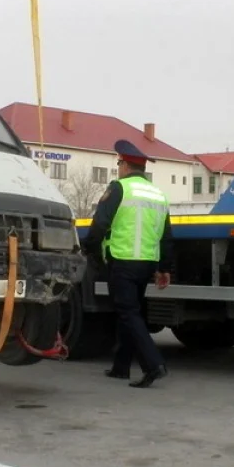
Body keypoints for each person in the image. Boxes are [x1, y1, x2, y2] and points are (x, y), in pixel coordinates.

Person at [84, 139, 174, 388]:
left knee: (127, 313)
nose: (118, 168)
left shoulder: (119, 188)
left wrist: (90, 250)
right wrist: (164, 268)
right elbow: (166, 235)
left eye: (119, 163)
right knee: (130, 313)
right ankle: (121, 367)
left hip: (123, 260)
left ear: (124, 165)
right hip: (147, 263)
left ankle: (153, 365)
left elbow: (100, 223)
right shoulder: (158, 194)